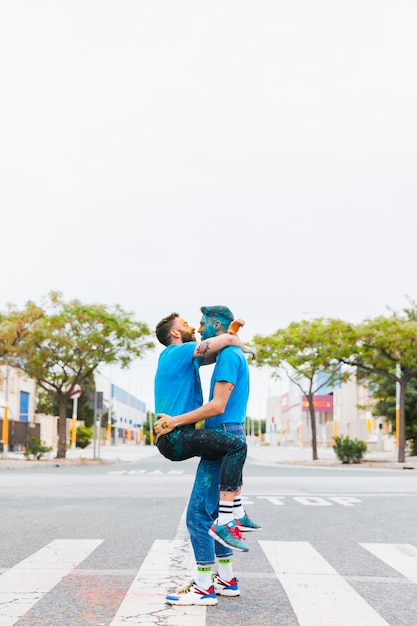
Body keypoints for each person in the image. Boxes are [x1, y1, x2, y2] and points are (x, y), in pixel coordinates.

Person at [155, 306, 261, 606]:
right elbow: (219, 344)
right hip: (174, 435)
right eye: (187, 323)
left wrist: (234, 336)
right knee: (206, 512)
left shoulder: (194, 358)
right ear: (175, 332)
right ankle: (231, 520)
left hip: (182, 430)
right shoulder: (175, 353)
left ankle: (212, 582)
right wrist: (235, 337)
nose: (194, 326)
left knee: (201, 514)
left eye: (201, 323)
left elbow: (219, 346)